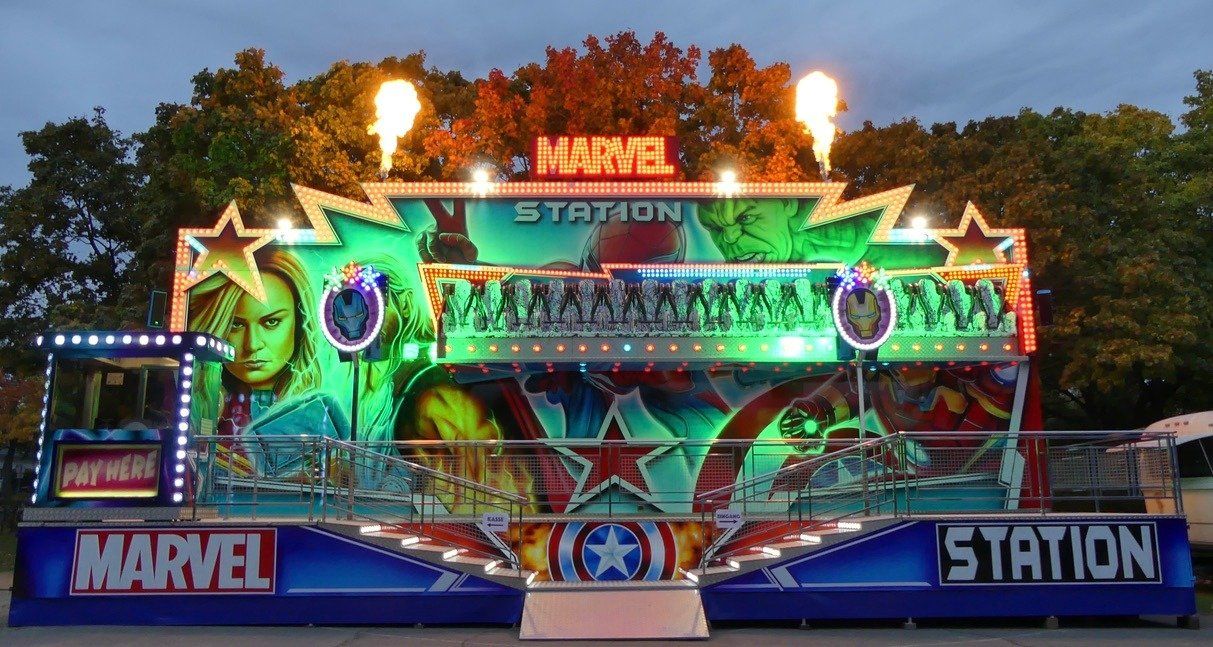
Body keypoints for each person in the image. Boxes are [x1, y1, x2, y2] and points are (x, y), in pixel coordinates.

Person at [188, 249, 345, 476]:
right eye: (236, 324)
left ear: (300, 323)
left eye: (271, 322)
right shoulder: (206, 405)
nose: (252, 344)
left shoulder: (316, 409)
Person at [696, 198, 876, 265]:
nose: (729, 238)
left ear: (787, 203)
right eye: (716, 228)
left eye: (746, 217)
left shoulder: (855, 238)